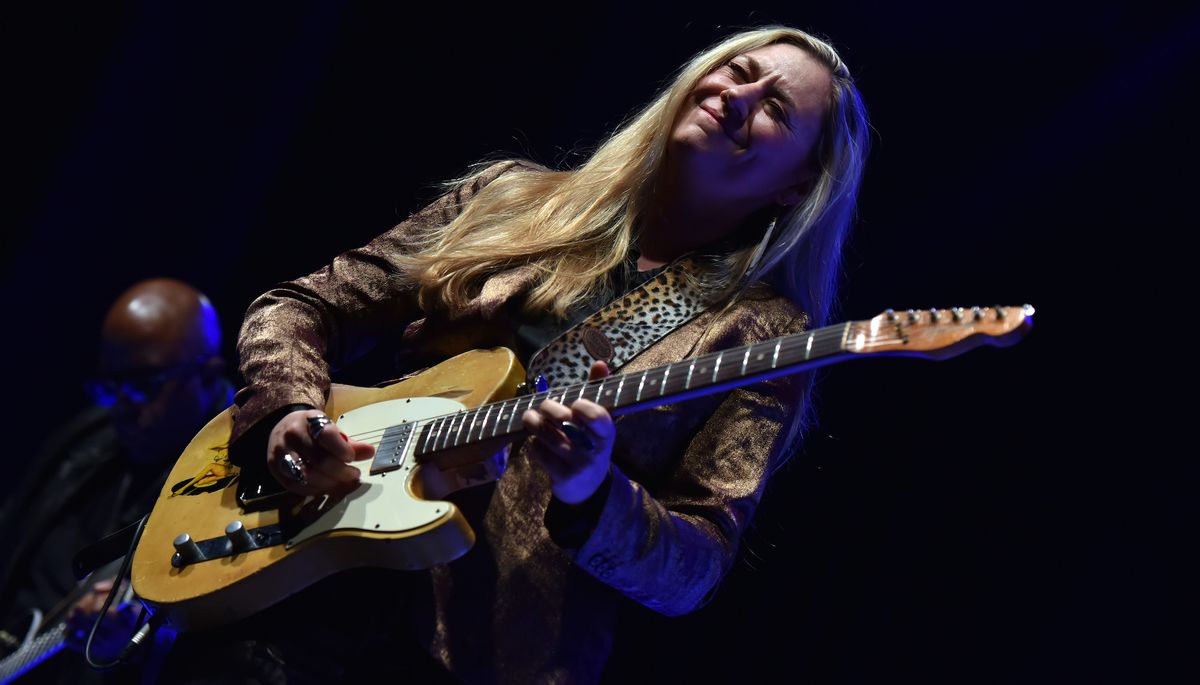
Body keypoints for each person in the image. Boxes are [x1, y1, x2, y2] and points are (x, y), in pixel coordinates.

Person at [225, 25, 868, 683]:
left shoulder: (761, 333)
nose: (739, 95)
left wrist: (593, 490)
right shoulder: (509, 197)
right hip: (304, 585)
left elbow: (693, 571)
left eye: (776, 107)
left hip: (476, 655)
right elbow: (300, 306)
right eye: (738, 70)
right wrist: (287, 407)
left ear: (798, 184)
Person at [0, 278, 234, 683]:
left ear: (209, 375)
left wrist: (134, 646)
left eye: (145, 386)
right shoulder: (91, 436)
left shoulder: (233, 477)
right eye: (112, 385)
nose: (123, 406)